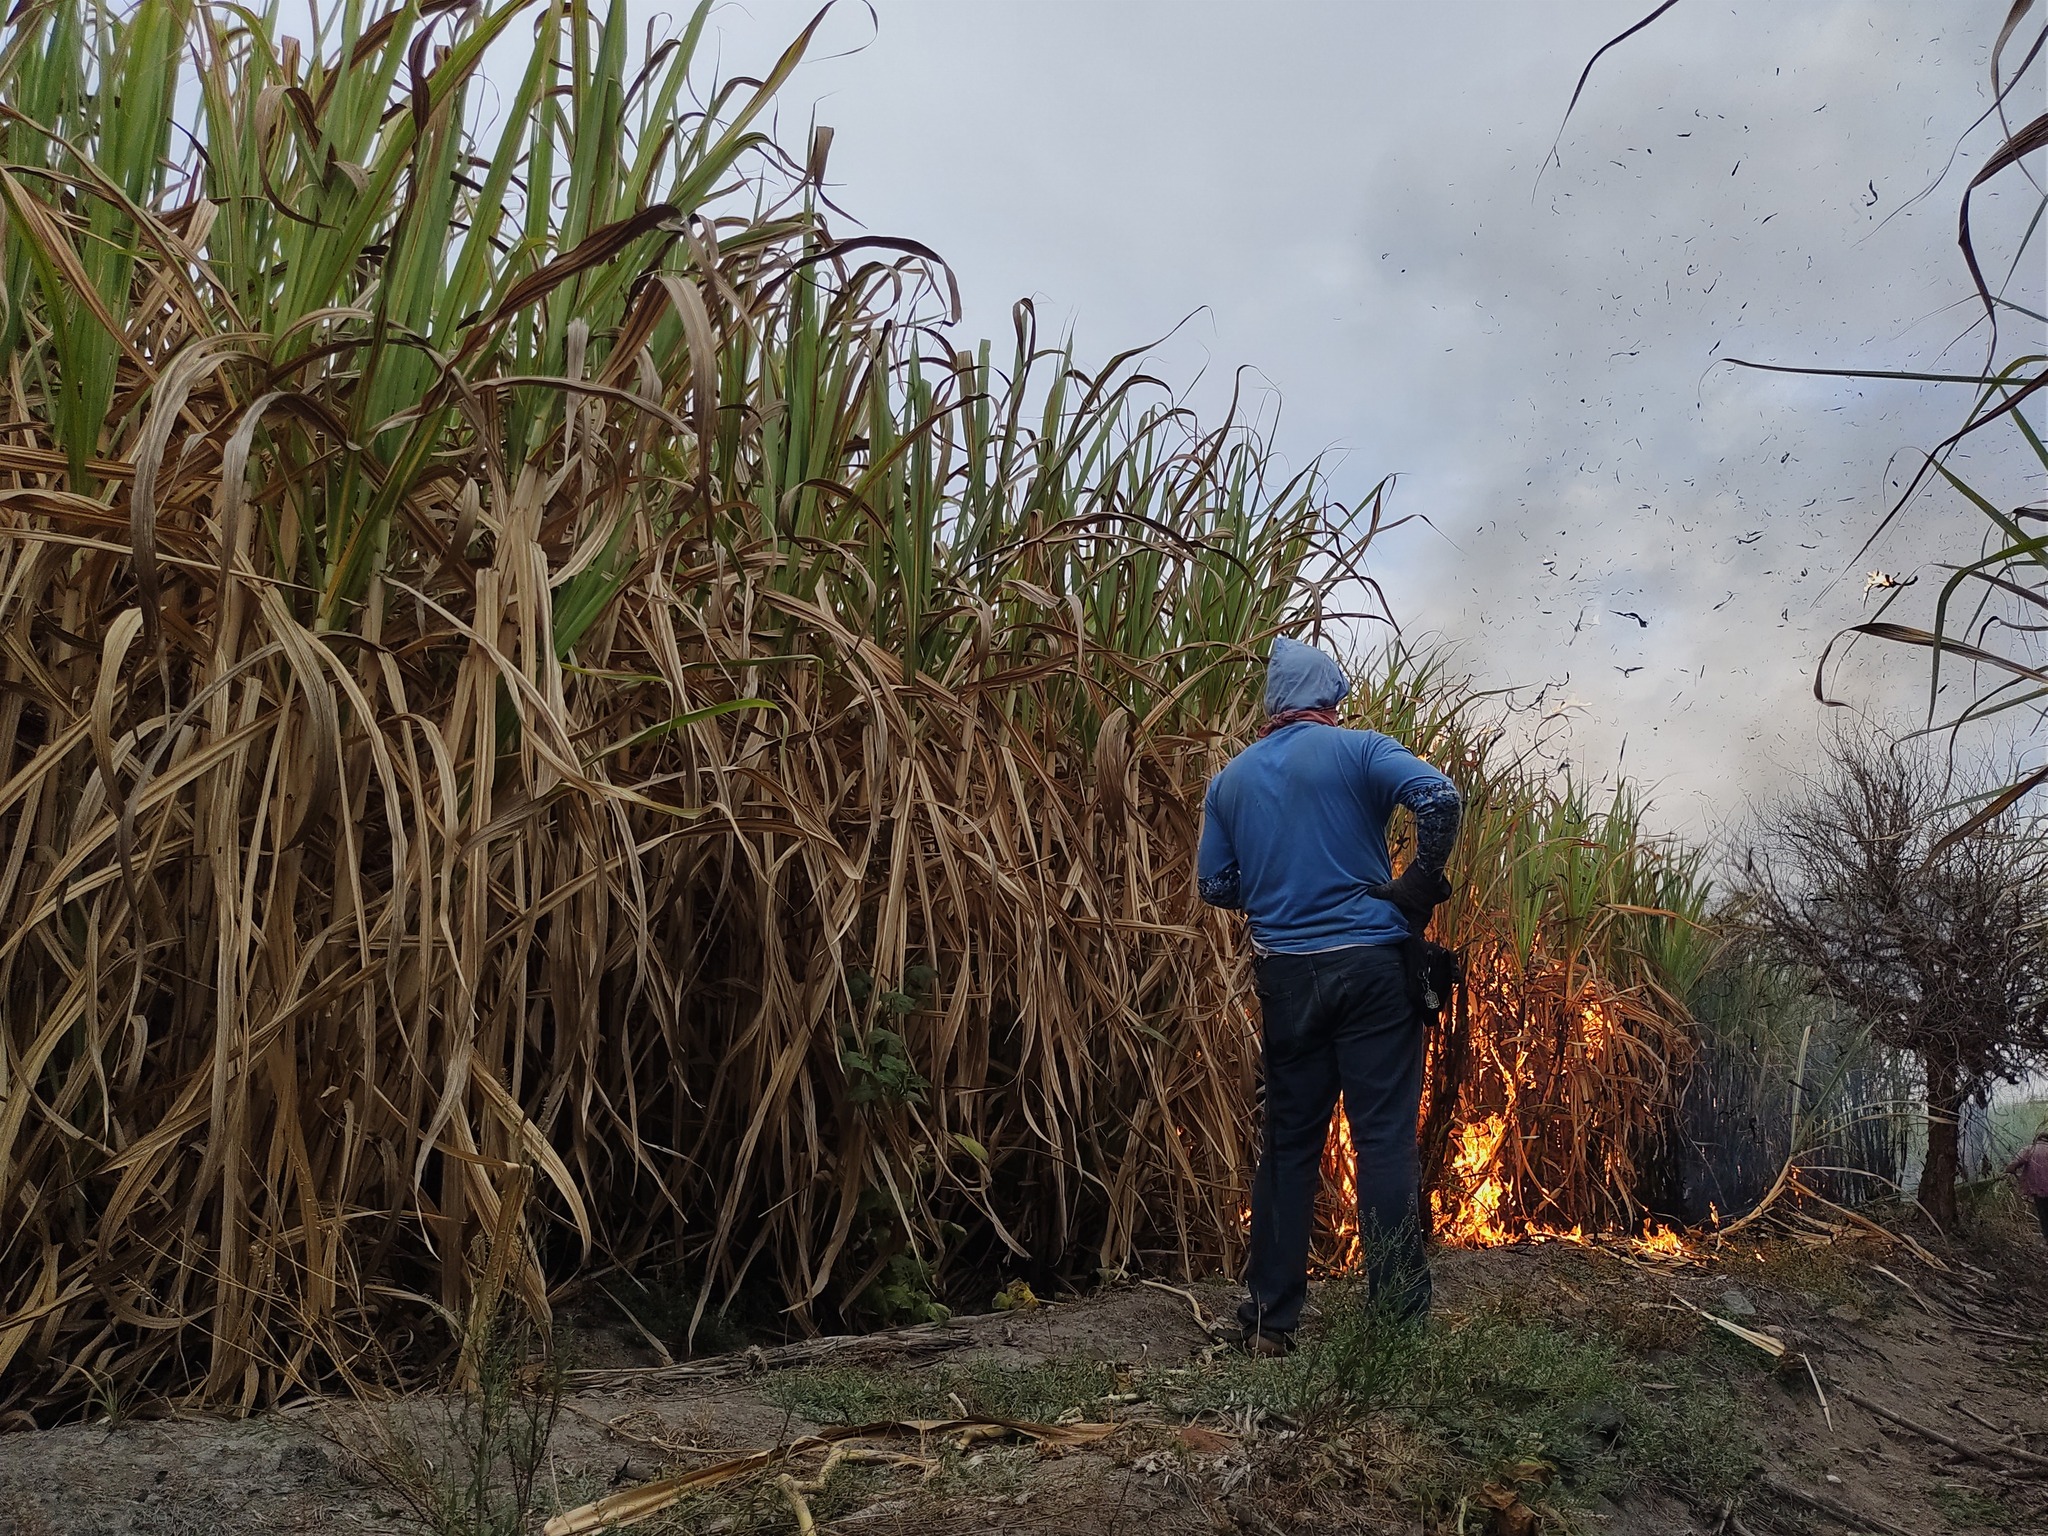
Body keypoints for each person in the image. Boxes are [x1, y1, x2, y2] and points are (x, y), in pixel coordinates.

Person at [1197, 637, 1463, 1354]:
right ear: (1329, 703)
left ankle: (1269, 1323)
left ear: (1271, 709)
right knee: (1381, 1142)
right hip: (1374, 968)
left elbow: (1216, 887)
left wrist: (1281, 890)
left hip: (1288, 978)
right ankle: (1396, 1325)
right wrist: (1417, 879)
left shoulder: (1230, 783)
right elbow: (1439, 797)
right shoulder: (1359, 750)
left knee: (1288, 1147)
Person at [2004, 1129, 2048, 1245]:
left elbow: (2013, 1165)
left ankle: (2047, 1239)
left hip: (2038, 1190)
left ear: (2036, 1139)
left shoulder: (2030, 1149)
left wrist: (2010, 1171)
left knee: (2044, 1215)